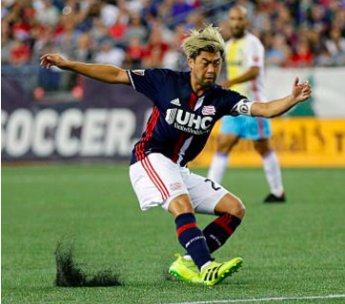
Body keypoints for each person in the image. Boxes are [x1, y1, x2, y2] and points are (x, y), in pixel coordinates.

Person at [39, 25, 312, 286]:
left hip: (178, 167)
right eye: (205, 62)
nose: (212, 69)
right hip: (149, 158)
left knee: (235, 209)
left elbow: (263, 109)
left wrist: (291, 99)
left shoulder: (221, 98)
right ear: (191, 61)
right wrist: (69, 64)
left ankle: (188, 262)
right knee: (182, 204)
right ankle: (206, 267)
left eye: (216, 63)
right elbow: (115, 74)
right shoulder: (164, 81)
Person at [207, 6, 287, 203]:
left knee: (262, 146)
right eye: (233, 19)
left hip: (254, 103)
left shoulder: (253, 44)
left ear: (246, 21)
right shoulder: (229, 44)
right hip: (233, 104)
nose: (236, 23)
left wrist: (229, 83)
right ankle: (208, 190)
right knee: (223, 143)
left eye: (240, 19)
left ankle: (278, 191)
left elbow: (254, 71)